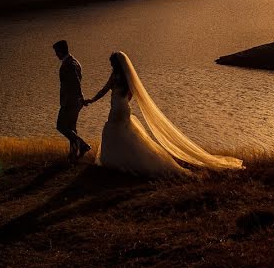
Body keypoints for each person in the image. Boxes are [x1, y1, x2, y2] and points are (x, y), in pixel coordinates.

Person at [84, 51, 243, 177]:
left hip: (117, 108)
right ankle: (124, 161)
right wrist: (123, 101)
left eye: (111, 62)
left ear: (116, 64)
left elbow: (104, 91)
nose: (110, 64)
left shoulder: (115, 76)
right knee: (123, 134)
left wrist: (91, 100)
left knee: (113, 131)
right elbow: (132, 93)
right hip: (124, 107)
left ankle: (118, 162)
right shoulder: (126, 77)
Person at [52, 40, 90, 161]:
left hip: (70, 101)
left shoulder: (69, 64)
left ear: (61, 51)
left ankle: (83, 145)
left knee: (61, 126)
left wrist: (80, 97)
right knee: (71, 127)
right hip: (75, 100)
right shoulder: (75, 62)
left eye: (56, 52)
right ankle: (73, 154)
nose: (56, 54)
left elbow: (76, 82)